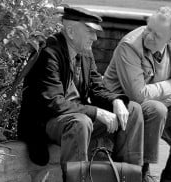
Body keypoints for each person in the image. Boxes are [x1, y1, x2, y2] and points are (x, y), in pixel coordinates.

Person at [17, 5, 144, 173]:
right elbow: (55, 104)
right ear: (70, 31)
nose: (95, 38)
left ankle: (127, 174)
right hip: (49, 121)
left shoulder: (85, 53)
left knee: (133, 109)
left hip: (78, 116)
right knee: (80, 122)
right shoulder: (49, 53)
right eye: (90, 32)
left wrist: (116, 101)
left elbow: (97, 88)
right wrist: (97, 112)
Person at [103, 6, 171, 182]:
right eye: (149, 28)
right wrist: (170, 85)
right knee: (157, 108)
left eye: (157, 35)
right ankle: (141, 170)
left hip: (153, 109)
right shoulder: (130, 46)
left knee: (162, 107)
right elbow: (138, 96)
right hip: (123, 108)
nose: (149, 36)